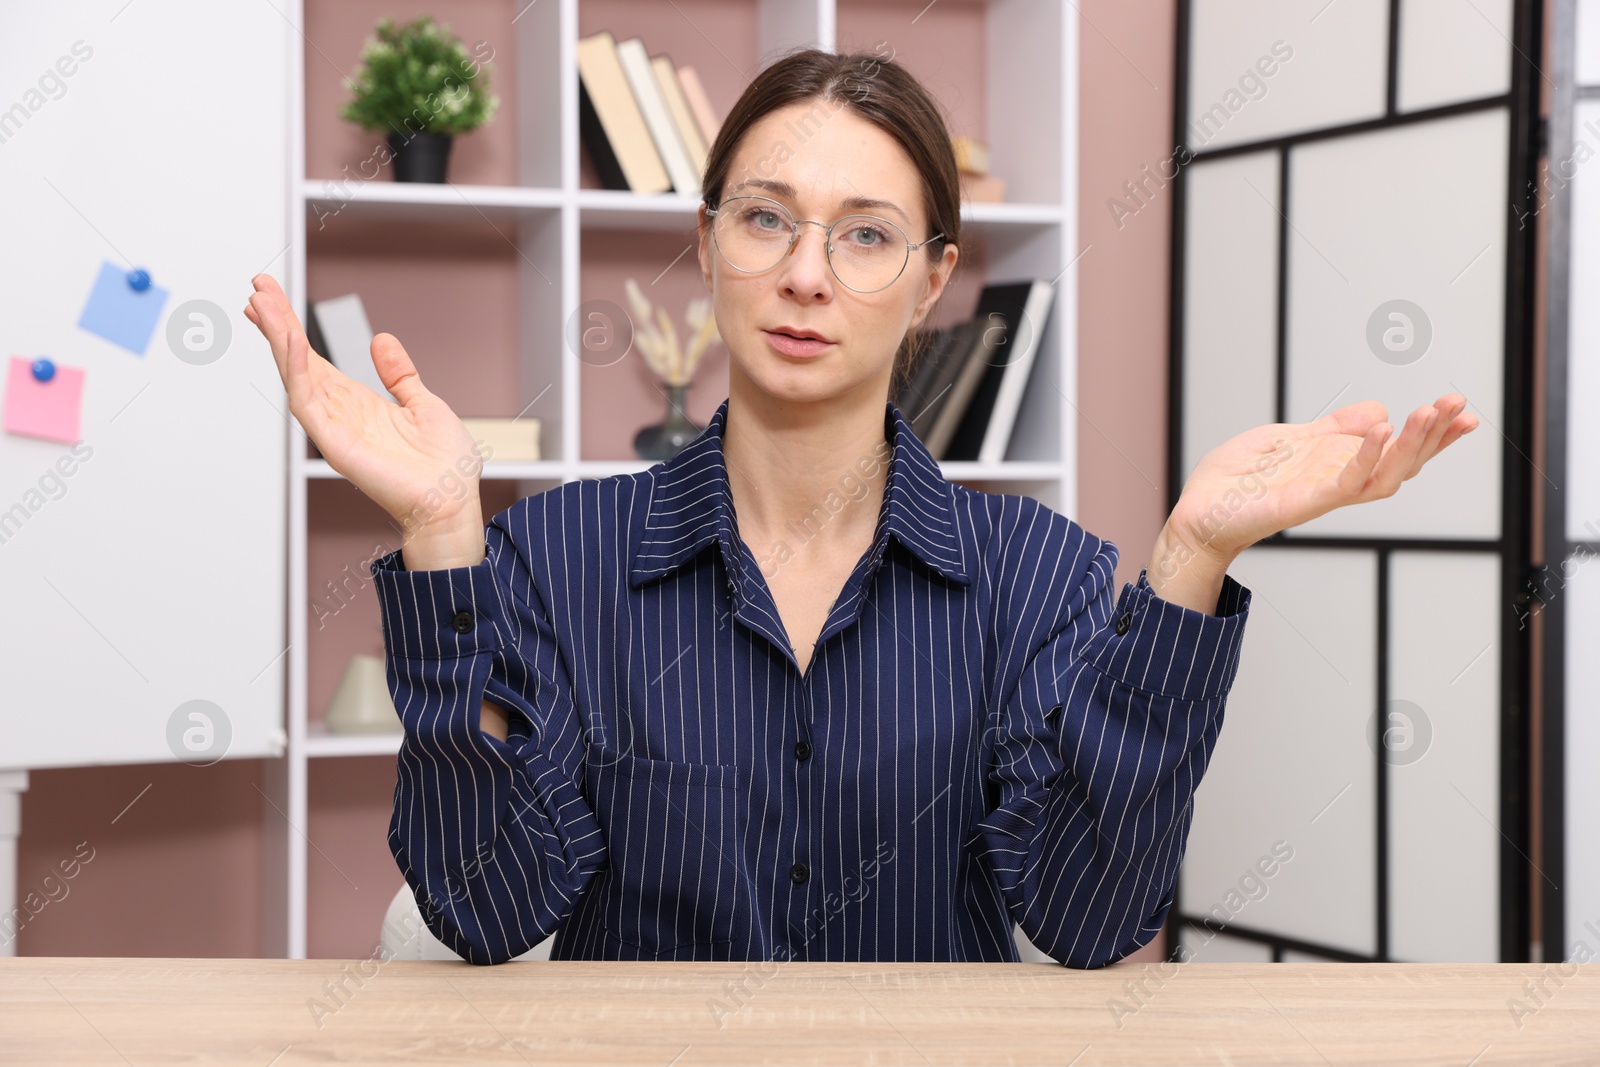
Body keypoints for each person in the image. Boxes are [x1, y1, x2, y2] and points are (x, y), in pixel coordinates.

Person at [243, 49, 1476, 967]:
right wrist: (445, 539)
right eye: (765, 216)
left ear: (935, 275)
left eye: (866, 235)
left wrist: (1192, 556)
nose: (805, 273)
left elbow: (1090, 917)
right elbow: (485, 906)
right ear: (707, 238)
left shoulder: (1034, 572)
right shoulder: (553, 556)